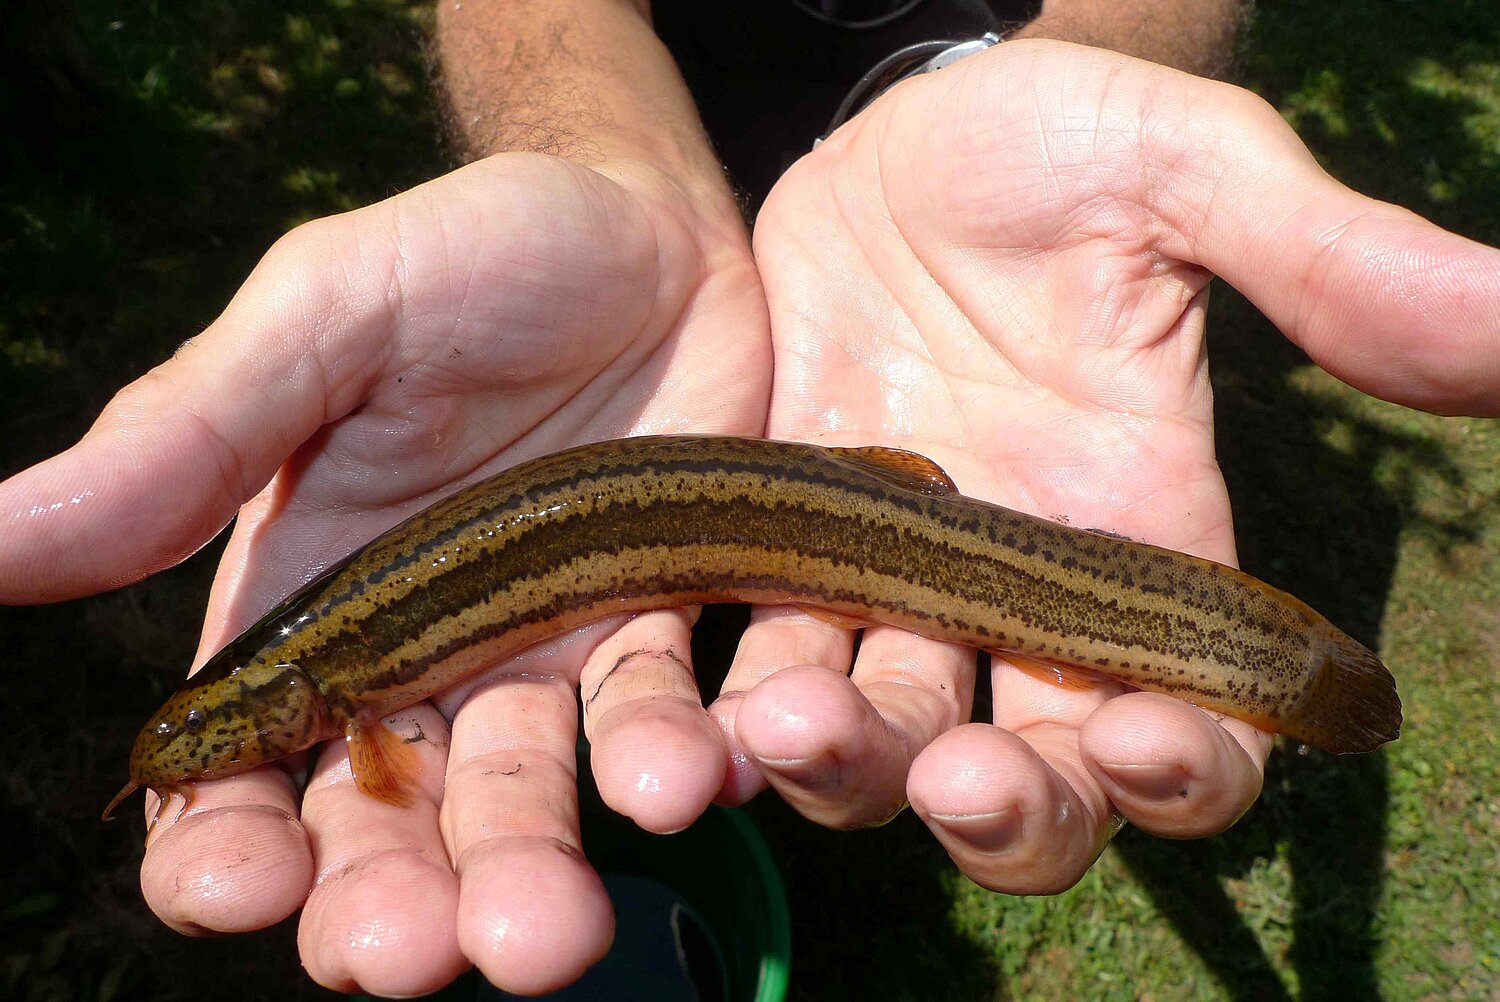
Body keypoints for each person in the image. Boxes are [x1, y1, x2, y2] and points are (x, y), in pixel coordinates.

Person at [3, 0, 1496, 996]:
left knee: (981, 596)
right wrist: (605, 143)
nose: (212, 748)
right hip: (680, 214)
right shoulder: (328, 671)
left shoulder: (337, 685)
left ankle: (1249, 654)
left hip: (921, 208)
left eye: (212, 738)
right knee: (872, 634)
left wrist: (1094, 45)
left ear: (286, 708)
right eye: (208, 738)